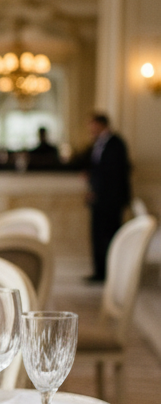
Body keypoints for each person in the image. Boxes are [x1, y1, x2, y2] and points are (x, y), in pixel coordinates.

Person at [84, 112, 131, 282]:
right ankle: (100, 272)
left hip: (110, 201)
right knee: (98, 237)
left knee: (111, 238)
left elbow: (115, 174)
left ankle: (111, 273)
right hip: (100, 200)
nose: (90, 129)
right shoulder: (99, 143)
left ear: (101, 124)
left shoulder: (116, 143)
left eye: (93, 125)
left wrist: (98, 191)